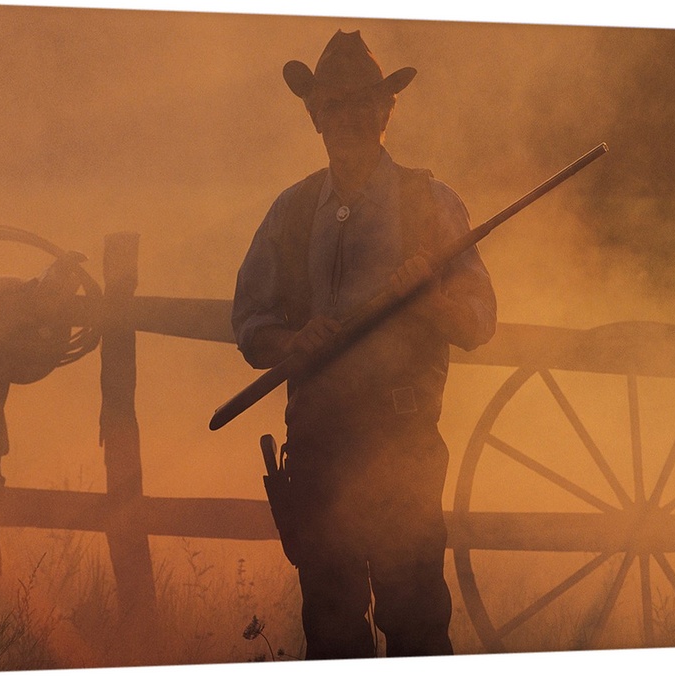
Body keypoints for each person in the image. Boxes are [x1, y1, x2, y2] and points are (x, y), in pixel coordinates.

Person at [231, 30, 497, 660]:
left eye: (360, 105)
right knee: (330, 626)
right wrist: (294, 341)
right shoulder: (292, 212)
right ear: (314, 116)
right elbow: (250, 324)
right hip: (318, 446)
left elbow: (480, 321)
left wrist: (429, 300)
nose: (346, 117)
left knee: (415, 625)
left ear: (386, 112)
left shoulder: (430, 205)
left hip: (402, 446)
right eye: (333, 106)